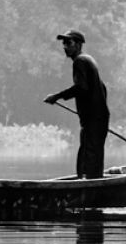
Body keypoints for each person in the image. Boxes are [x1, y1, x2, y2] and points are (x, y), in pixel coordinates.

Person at [45, 29, 110, 179]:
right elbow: (102, 88)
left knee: (89, 156)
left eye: (69, 43)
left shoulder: (80, 61)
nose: (65, 47)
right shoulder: (88, 60)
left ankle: (90, 188)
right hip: (97, 118)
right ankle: (91, 182)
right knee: (91, 155)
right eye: (64, 43)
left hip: (94, 119)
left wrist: (57, 96)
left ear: (79, 45)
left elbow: (81, 87)